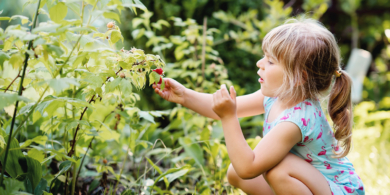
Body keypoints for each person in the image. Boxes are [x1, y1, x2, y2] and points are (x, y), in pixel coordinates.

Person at [152, 18, 364, 195]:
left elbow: (249, 167)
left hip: (341, 191)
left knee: (279, 169)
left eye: (270, 62)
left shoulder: (298, 120)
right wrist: (184, 96)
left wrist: (229, 118)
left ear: (298, 78)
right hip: (316, 186)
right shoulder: (277, 96)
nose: (259, 64)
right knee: (234, 171)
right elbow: (218, 109)